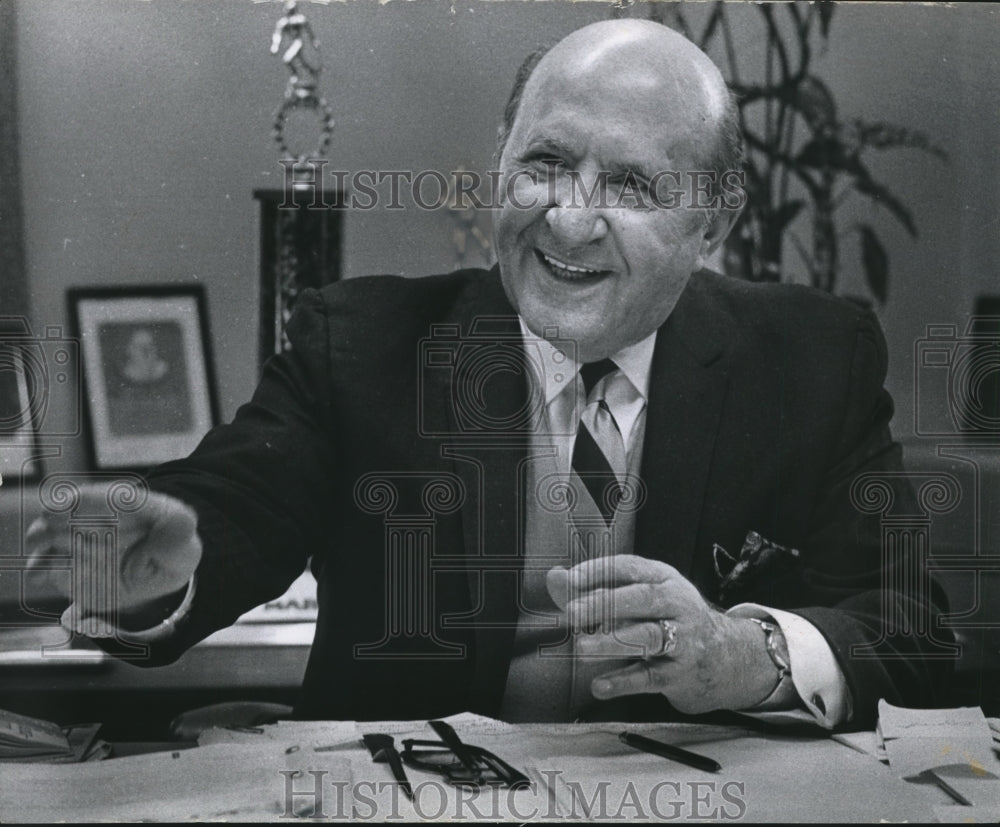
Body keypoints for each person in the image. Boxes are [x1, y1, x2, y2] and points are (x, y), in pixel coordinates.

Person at [26, 19, 951, 729]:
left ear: (713, 224)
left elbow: (911, 628)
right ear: (500, 159)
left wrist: (744, 653)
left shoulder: (815, 360)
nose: (568, 222)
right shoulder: (365, 343)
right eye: (544, 163)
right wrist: (149, 565)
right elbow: (231, 505)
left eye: (629, 188)